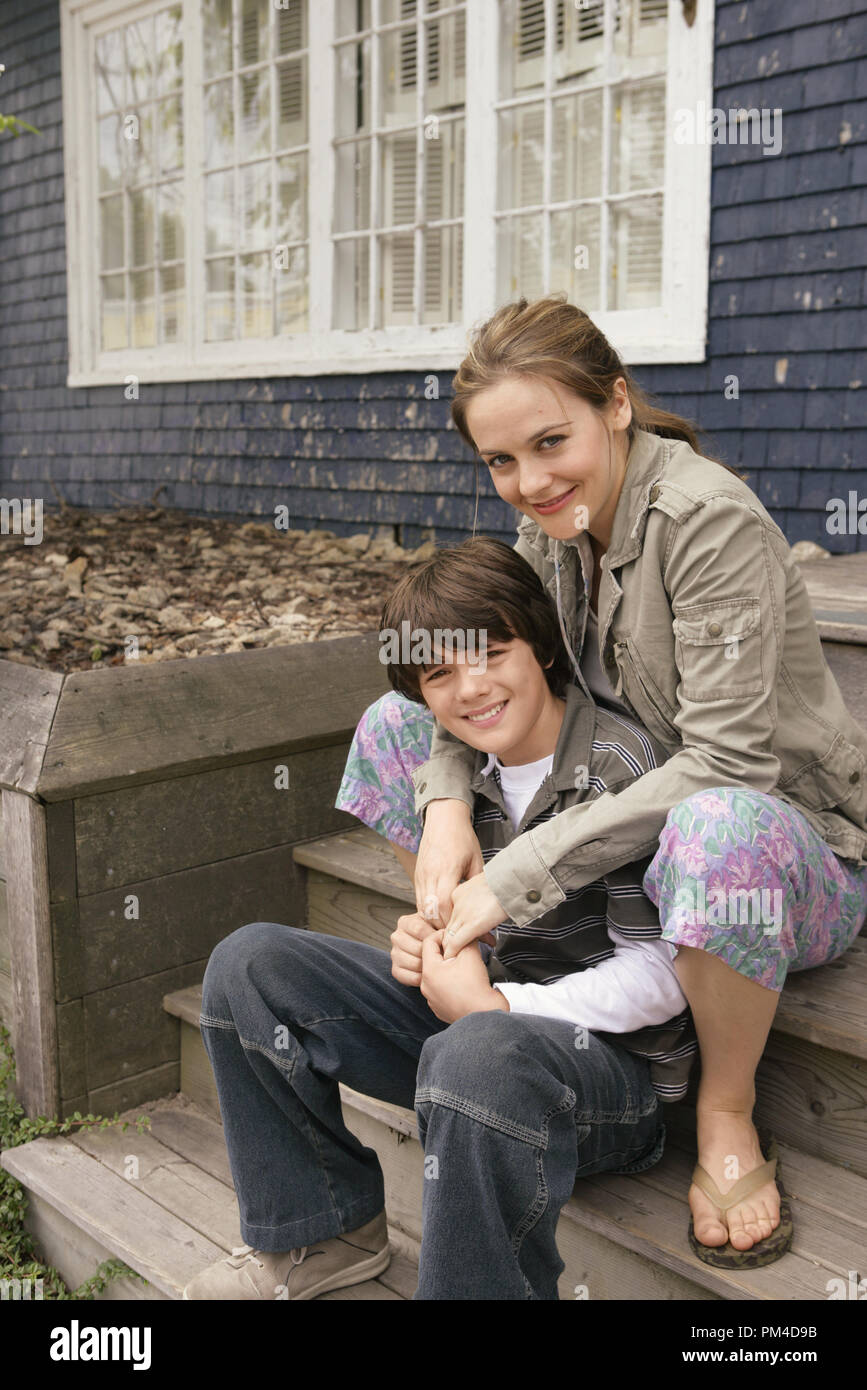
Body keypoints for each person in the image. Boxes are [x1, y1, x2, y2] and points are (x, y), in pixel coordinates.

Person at [336, 293, 867, 1270]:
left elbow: (727, 763)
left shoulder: (707, 523)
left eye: (550, 441)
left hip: (779, 846)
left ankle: (723, 1110)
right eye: (501, 461)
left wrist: (514, 873)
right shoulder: (555, 525)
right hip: (620, 814)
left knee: (720, 827)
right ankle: (478, 961)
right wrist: (450, 795)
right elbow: (502, 652)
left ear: (615, 403)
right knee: (395, 722)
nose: (529, 482)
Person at [185, 538, 697, 1300]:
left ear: (542, 643)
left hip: (612, 1082)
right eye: (439, 674)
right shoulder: (457, 778)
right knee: (249, 963)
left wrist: (496, 1006)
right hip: (490, 1035)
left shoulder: (620, 768)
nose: (472, 688)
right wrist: (431, 948)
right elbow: (482, 949)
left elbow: (665, 976)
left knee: (478, 1050)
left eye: (491, 653)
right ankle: (321, 1234)